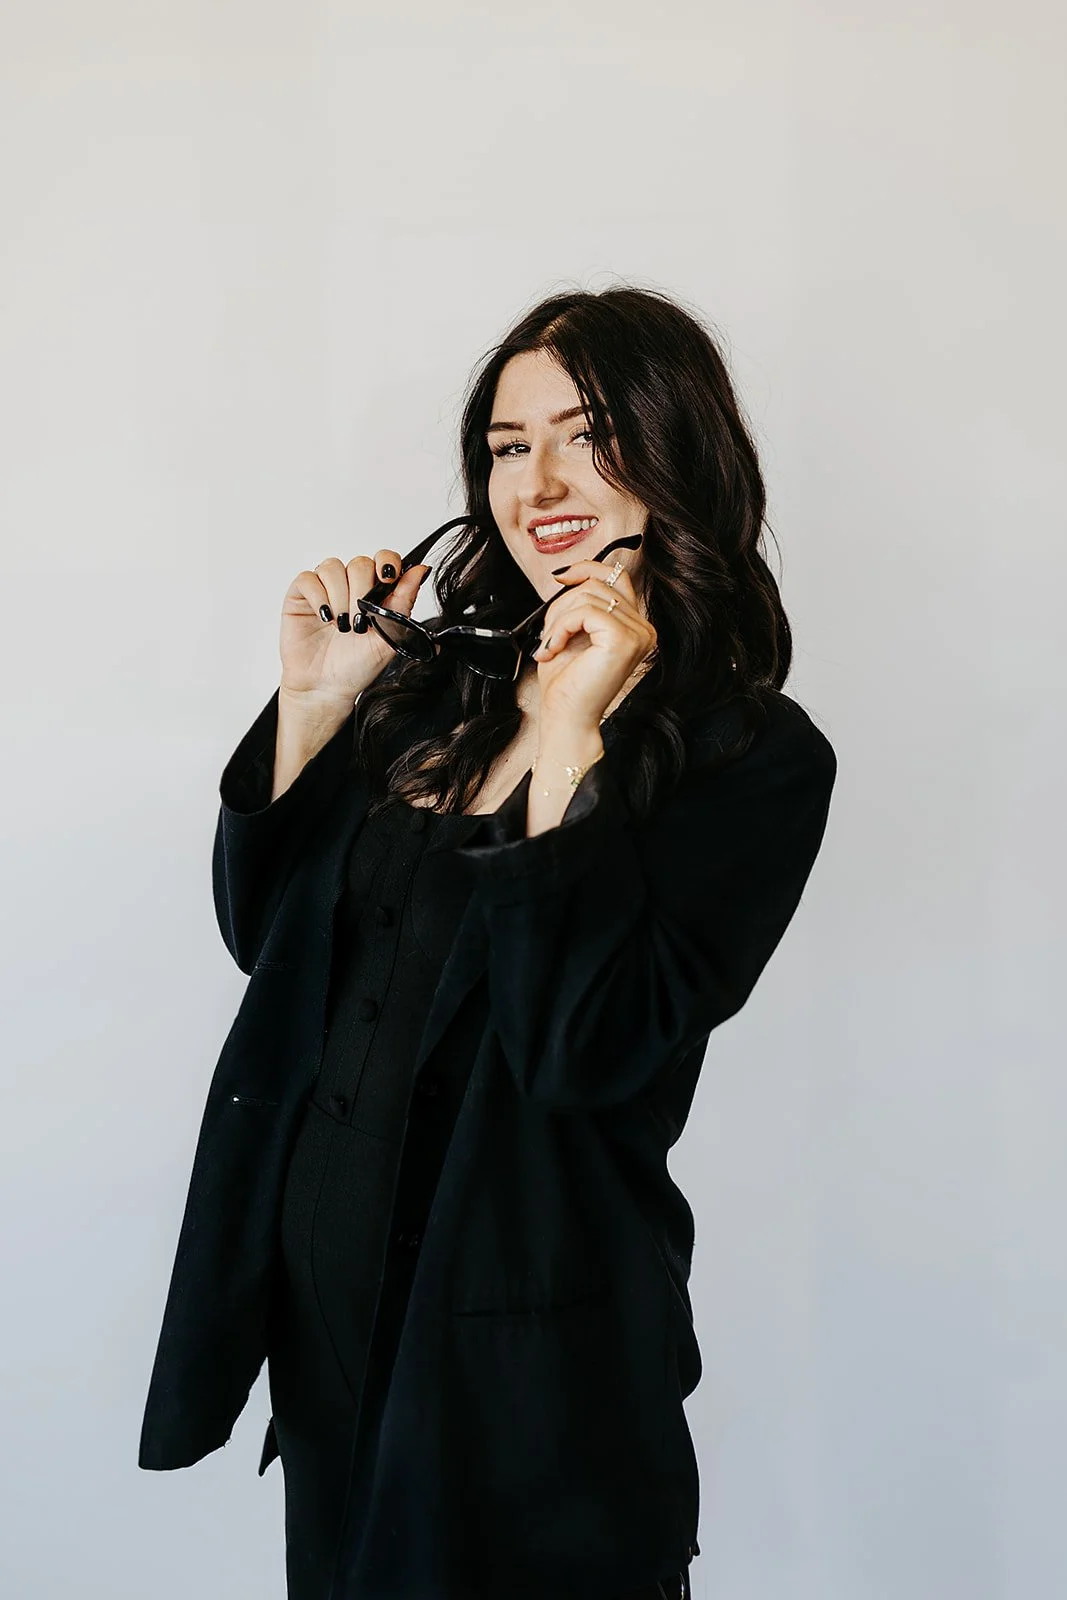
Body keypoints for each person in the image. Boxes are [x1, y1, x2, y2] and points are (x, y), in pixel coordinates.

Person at [139, 285, 839, 1600]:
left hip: (531, 1372)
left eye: (588, 434)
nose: (542, 481)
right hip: (329, 1323)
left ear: (675, 447)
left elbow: (588, 1047)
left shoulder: (745, 753)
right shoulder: (432, 688)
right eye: (509, 446)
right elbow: (272, 960)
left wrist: (572, 740)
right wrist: (309, 707)